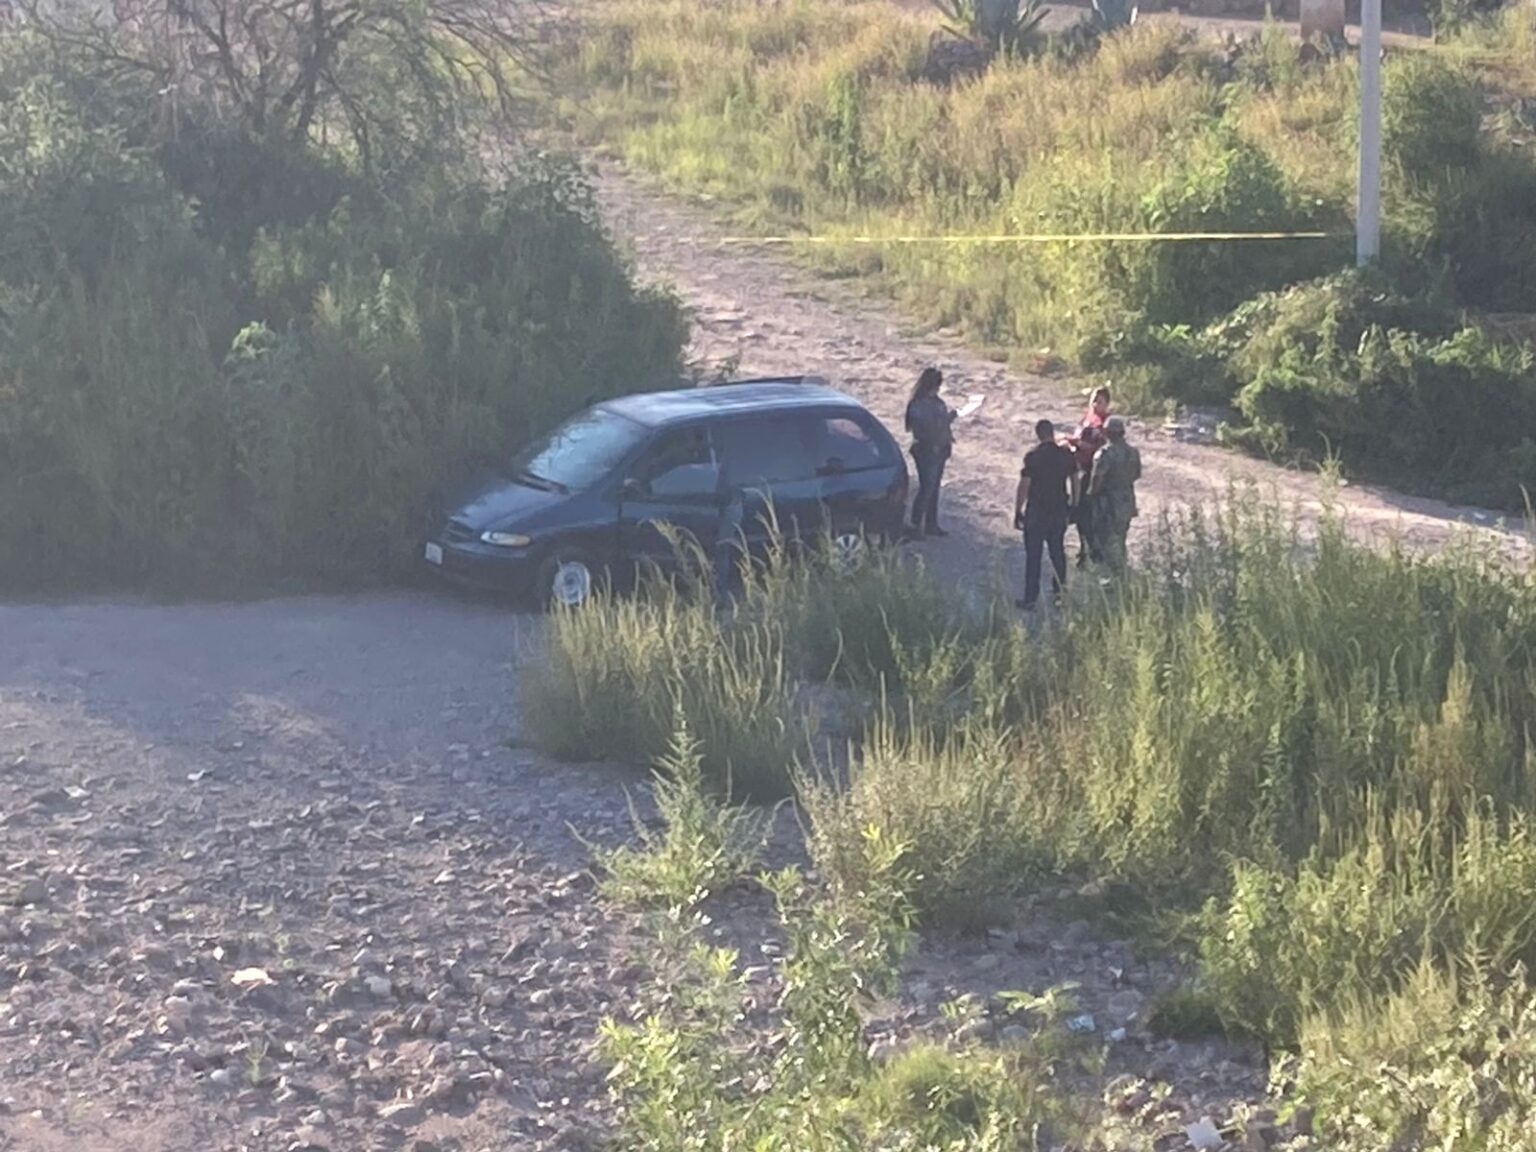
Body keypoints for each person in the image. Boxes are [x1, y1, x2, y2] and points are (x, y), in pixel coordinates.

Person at [1013, 418, 1078, 610]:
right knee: (1057, 552)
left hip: (1037, 512)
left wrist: (1018, 510)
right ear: (1052, 434)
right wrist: (1074, 504)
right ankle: (1059, 595)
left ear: (1038, 435)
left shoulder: (1033, 457)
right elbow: (1075, 480)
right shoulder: (1066, 456)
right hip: (1058, 510)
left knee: (1033, 556)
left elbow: (1024, 485)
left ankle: (1030, 598)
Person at [904, 367, 956, 539]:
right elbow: (927, 428)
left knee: (933, 488)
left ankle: (929, 524)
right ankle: (916, 524)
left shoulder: (925, 402)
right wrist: (948, 419)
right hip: (927, 449)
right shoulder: (922, 404)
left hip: (936, 449)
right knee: (927, 488)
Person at [1088, 414, 1141, 576]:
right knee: (1121, 539)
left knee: (1106, 542)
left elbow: (1097, 480)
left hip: (1108, 504)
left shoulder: (1104, 453)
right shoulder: (1133, 452)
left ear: (1107, 432)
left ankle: (1112, 579)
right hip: (1126, 501)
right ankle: (1121, 575)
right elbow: (1136, 474)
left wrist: (1091, 496)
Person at [1068, 386, 1112, 568]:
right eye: (1094, 400)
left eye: (1100, 402)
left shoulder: (1105, 424)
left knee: (1086, 512)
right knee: (1079, 511)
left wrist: (1079, 444)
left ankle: (1092, 550)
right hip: (1080, 468)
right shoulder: (1087, 418)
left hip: (1093, 472)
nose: (1095, 404)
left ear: (1107, 404)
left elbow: (1102, 450)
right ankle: (1085, 548)